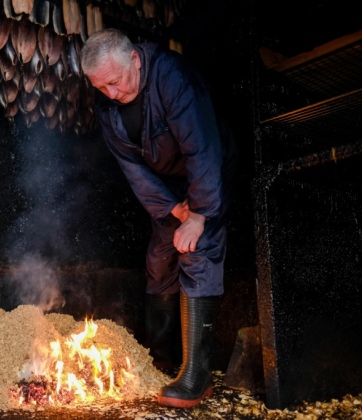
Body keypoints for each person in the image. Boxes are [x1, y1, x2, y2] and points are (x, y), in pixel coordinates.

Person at [80, 28, 237, 408]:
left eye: (115, 83)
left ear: (134, 58)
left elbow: (202, 147)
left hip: (207, 173)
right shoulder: (108, 106)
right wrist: (171, 208)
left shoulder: (172, 77)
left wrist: (198, 214)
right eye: (101, 88)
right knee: (159, 258)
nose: (111, 95)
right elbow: (134, 169)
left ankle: (197, 377)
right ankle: (161, 359)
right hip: (168, 188)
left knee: (195, 250)